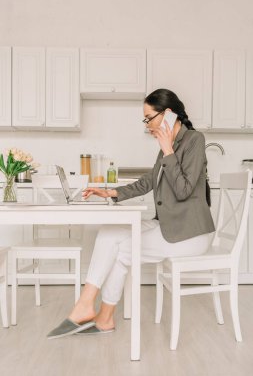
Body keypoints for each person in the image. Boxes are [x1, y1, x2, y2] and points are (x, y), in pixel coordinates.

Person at [47, 88, 215, 338]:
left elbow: (183, 190)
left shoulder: (194, 140)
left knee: (122, 250)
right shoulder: (166, 146)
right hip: (169, 225)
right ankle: (91, 308)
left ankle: (99, 314)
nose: (146, 125)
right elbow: (150, 181)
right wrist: (111, 193)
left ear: (168, 114)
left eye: (149, 118)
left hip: (190, 234)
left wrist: (168, 149)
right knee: (109, 233)